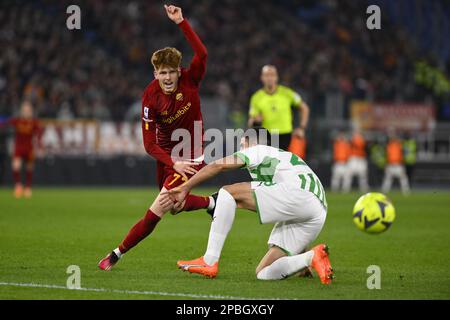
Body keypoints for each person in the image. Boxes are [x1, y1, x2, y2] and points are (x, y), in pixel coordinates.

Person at [98, 5, 215, 271]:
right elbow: (149, 144)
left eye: (171, 72)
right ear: (155, 74)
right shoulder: (150, 97)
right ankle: (213, 202)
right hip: (167, 157)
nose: (167, 78)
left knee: (158, 210)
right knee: (176, 205)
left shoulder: (190, 79)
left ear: (178, 71)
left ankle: (116, 253)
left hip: (191, 153)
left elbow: (203, 53)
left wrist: (181, 22)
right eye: (162, 73)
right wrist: (172, 163)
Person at [161, 128, 333, 284]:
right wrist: (190, 203)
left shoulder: (258, 150)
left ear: (254, 143)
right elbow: (224, 202)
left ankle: (209, 260)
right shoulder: (278, 160)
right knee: (264, 272)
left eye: (243, 144)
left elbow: (217, 166)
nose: (241, 149)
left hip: (298, 194)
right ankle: (309, 259)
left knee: (228, 192)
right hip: (317, 211)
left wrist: (185, 188)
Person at [247, 65, 310, 151]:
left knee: (291, 162)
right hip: (268, 137)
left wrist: (302, 128)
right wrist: (255, 121)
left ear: (277, 77)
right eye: (267, 75)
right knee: (273, 163)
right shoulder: (256, 97)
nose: (270, 78)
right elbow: (251, 121)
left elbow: (304, 108)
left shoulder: (287, 93)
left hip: (287, 135)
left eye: (272, 75)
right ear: (262, 78)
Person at [0, 101, 41, 198]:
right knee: (15, 166)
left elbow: (39, 134)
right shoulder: (17, 120)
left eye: (28, 110)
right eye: (24, 110)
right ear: (21, 111)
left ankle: (27, 188)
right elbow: (4, 123)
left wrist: (39, 145)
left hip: (29, 147)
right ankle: (18, 186)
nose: (26, 112)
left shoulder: (34, 122)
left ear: (31, 111)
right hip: (18, 147)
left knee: (29, 167)